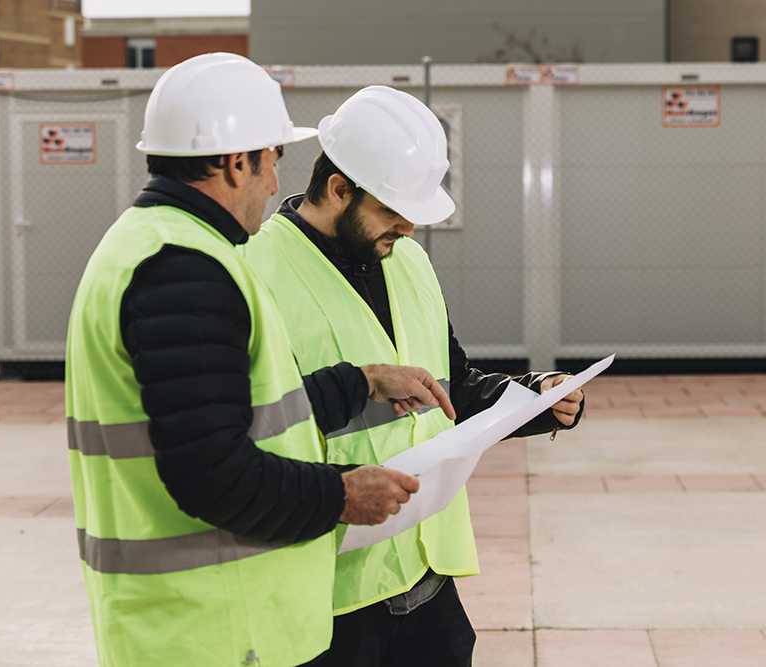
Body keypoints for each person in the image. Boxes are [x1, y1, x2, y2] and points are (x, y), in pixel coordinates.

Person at [64, 56, 456, 667]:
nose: (276, 184)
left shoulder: (151, 247)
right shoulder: (182, 270)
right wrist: (340, 494)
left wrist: (357, 383)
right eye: (271, 159)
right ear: (233, 161)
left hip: (195, 615)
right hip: (207, 622)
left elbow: (240, 416)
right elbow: (210, 469)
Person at [243, 85, 585, 667]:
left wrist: (534, 398)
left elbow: (448, 387)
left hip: (428, 579)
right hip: (330, 598)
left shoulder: (407, 259)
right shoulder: (254, 271)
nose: (405, 229)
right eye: (392, 212)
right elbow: (250, 430)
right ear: (338, 189)